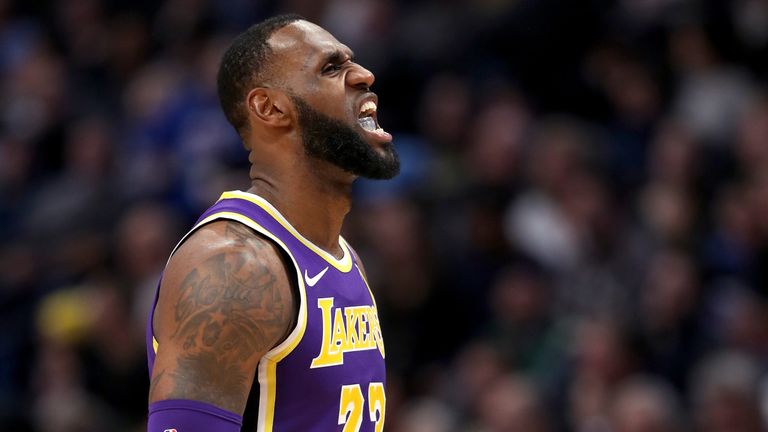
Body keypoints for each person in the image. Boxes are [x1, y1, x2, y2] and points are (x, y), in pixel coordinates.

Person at [145, 14, 399, 432]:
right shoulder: (234, 266)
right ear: (270, 108)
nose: (364, 75)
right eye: (331, 68)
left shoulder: (343, 257)